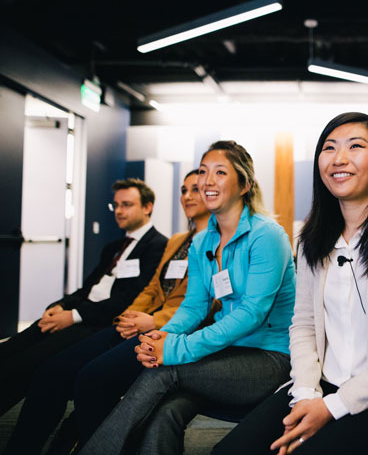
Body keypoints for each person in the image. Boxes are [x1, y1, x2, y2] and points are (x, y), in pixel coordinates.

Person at [211, 112, 368, 455]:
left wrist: (334, 407)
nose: (339, 159)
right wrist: (307, 393)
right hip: (319, 388)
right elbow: (304, 325)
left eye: (355, 146)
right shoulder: (313, 238)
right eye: (329, 148)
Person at [80, 141, 296, 455]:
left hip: (270, 358)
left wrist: (176, 348)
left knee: (166, 370)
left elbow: (252, 313)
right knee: (166, 410)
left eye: (220, 172)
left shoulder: (268, 235)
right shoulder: (202, 242)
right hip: (227, 354)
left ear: (245, 184)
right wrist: (161, 336)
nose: (207, 181)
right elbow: (194, 306)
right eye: (204, 171)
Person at [1, 170, 211, 455]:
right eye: (184, 190)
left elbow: (200, 304)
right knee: (20, 354)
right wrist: (127, 316)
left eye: (195, 189)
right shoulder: (176, 241)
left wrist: (148, 320)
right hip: (132, 321)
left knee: (61, 373)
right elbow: (149, 290)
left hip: (165, 329)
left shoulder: (203, 243)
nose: (187, 196)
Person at [0, 179, 167, 416]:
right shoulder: (114, 247)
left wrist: (74, 316)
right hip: (80, 312)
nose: (119, 211)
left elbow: (130, 298)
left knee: (25, 365)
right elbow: (87, 288)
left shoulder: (159, 246)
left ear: (147, 207)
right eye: (116, 205)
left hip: (98, 323)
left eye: (127, 204)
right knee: (8, 351)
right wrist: (60, 306)